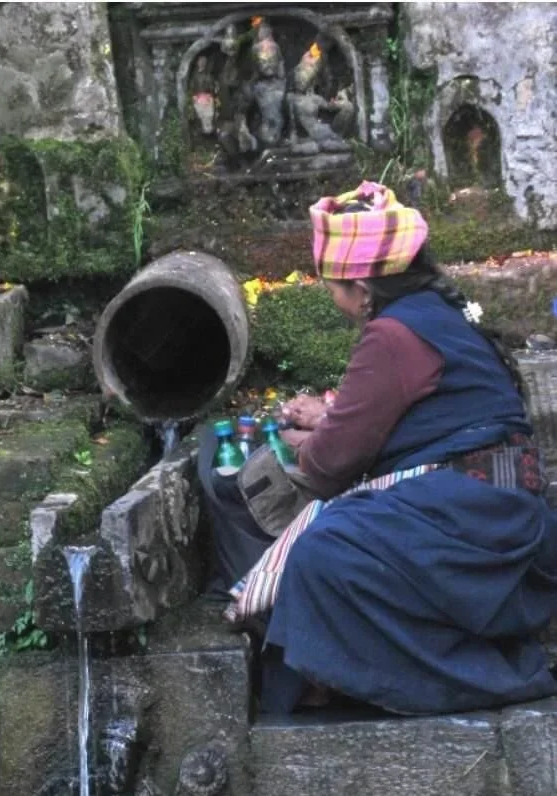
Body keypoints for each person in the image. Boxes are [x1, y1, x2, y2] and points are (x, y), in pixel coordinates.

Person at [218, 180, 557, 716]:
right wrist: (328, 420)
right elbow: (415, 420)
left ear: (362, 287)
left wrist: (308, 439)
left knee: (322, 552)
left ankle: (495, 677)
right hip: (498, 510)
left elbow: (330, 465)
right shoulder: (434, 315)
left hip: (477, 524)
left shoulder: (392, 336)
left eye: (332, 286)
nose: (333, 299)